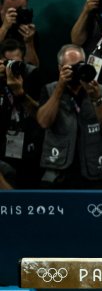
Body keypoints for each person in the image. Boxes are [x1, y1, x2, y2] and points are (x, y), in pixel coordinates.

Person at [36, 45, 102, 188]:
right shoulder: (49, 90)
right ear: (60, 68)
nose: (76, 71)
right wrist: (60, 88)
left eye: (79, 66)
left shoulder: (101, 91)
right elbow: (43, 122)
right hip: (58, 171)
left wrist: (96, 99)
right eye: (70, 68)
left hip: (92, 170)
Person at [0, 38, 41, 188]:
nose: (11, 67)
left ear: (23, 59)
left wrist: (20, 93)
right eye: (7, 63)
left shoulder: (32, 76)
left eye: (15, 62)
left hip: (30, 149)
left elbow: (41, 117)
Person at [0, 0, 39, 66]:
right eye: (13, 10)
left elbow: (33, 68)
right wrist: (4, 28)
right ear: (1, 7)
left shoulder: (26, 29)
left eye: (21, 10)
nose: (17, 14)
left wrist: (29, 43)